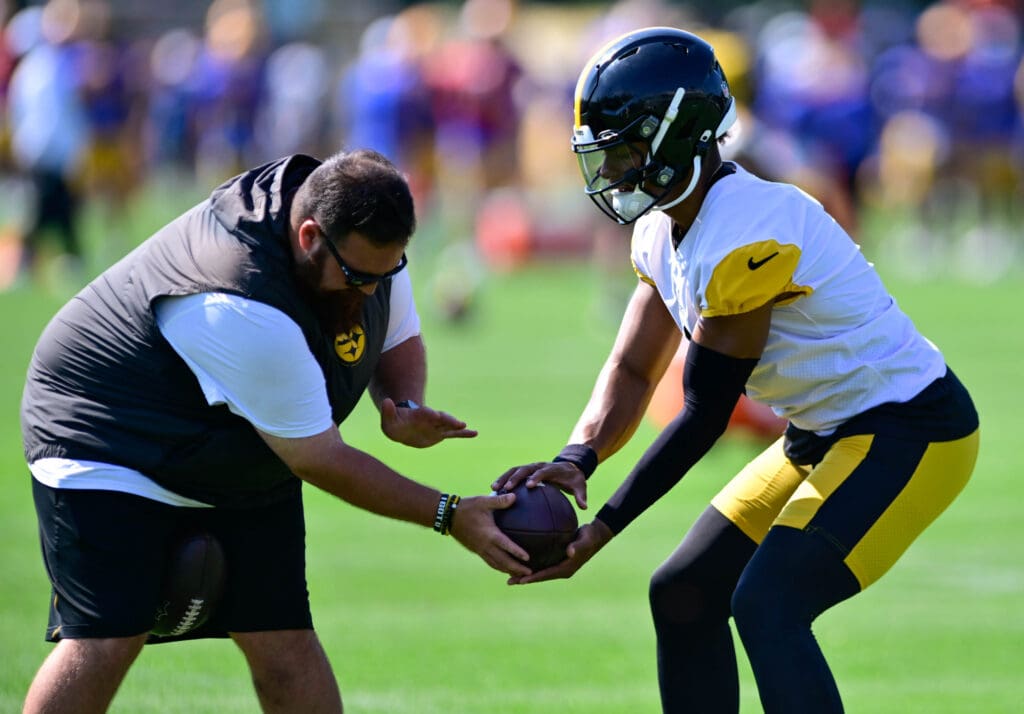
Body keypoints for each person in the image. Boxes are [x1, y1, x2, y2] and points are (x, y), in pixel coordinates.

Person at [494, 27, 980, 714]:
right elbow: (634, 367)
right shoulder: (662, 228)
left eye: (626, 146)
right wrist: (577, 457)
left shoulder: (747, 229)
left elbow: (703, 413)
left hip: (909, 428)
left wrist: (601, 527)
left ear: (675, 137)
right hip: (823, 432)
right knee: (685, 593)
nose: (612, 168)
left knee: (769, 604)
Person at [21, 148, 531, 714]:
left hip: (233, 439)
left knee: (282, 637)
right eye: (359, 277)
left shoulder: (368, 244)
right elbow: (319, 459)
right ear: (309, 236)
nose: (370, 291)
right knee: (106, 638)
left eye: (386, 275)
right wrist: (449, 514)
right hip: (111, 434)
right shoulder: (239, 302)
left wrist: (402, 401)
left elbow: (396, 330)